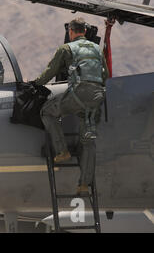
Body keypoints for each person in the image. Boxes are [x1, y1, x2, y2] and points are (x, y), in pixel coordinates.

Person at [32, 17, 108, 196]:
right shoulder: (97, 49)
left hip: (78, 95)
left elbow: (50, 72)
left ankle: (62, 151)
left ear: (71, 32)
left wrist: (35, 84)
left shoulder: (66, 48)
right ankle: (84, 184)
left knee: (48, 112)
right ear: (85, 31)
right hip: (97, 97)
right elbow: (105, 74)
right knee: (88, 141)